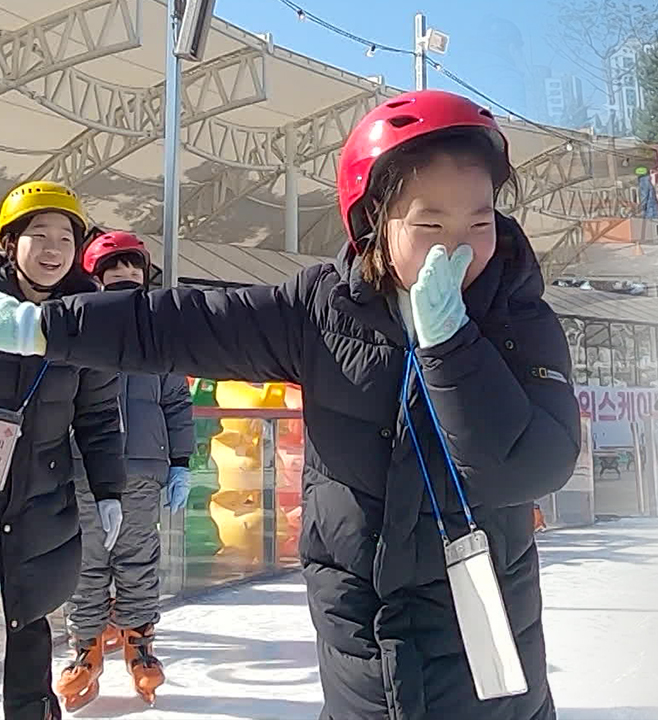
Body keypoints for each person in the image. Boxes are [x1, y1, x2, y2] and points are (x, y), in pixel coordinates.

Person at [0, 90, 580, 720]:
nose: (459, 248)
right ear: (373, 224)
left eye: (480, 220)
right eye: (430, 224)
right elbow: (179, 324)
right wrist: (46, 327)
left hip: (482, 636)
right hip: (360, 628)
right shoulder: (320, 312)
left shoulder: (518, 318)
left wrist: (453, 345)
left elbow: (532, 467)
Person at [0, 181, 125, 719]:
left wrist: (109, 490)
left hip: (38, 498)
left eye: (65, 239)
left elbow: (97, 416)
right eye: (38, 235)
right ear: (10, 244)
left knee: (26, 625)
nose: (52, 250)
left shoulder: (85, 319)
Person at [56, 231, 194, 710]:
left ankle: (139, 640)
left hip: (141, 467)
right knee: (88, 561)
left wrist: (180, 461)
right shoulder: (79, 330)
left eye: (133, 267)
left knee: (137, 559)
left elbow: (176, 400)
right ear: (95, 277)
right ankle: (86, 644)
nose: (125, 275)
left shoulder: (159, 335)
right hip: (86, 469)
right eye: (115, 268)